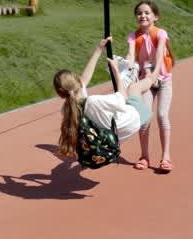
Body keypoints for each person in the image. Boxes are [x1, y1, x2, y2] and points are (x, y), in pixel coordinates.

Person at [55, 37, 155, 168]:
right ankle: (154, 77)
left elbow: (85, 78)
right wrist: (115, 70)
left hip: (113, 137)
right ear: (78, 83)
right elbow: (123, 97)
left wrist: (99, 48)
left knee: (127, 84)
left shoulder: (67, 109)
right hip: (133, 119)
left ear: (60, 93)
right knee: (133, 87)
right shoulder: (94, 101)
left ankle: (141, 73)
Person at [126, 0, 176, 172]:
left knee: (162, 115)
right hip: (145, 82)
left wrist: (154, 75)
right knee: (145, 118)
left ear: (155, 17)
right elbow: (130, 54)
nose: (143, 16)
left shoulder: (160, 33)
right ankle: (144, 156)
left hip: (163, 80)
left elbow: (160, 54)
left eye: (147, 13)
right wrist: (128, 65)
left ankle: (166, 157)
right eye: (139, 13)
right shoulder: (133, 36)